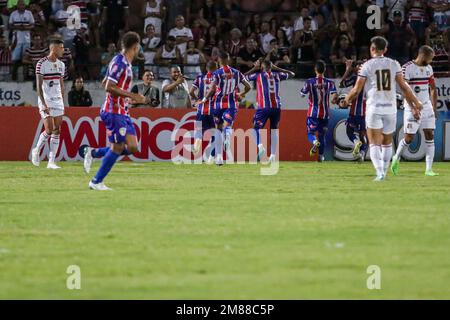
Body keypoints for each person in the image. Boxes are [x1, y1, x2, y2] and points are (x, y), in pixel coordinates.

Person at [341, 36, 423, 181]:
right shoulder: (394, 64)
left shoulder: (366, 66)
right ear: (385, 49)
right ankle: (384, 173)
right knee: (387, 143)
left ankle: (379, 174)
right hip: (390, 109)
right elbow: (404, 87)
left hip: (373, 108)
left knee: (374, 143)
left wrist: (346, 100)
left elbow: (356, 89)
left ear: (372, 49)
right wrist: (416, 102)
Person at [83, 31, 145, 190]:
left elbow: (106, 82)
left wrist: (127, 98)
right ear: (135, 46)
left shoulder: (124, 62)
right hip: (113, 111)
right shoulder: (120, 63)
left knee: (132, 147)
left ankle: (93, 153)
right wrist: (131, 95)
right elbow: (108, 87)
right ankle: (96, 182)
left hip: (123, 111)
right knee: (117, 147)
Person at [195, 51, 251, 165]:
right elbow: (248, 86)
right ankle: (228, 138)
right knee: (228, 125)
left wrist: (204, 99)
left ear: (219, 60)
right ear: (228, 59)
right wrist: (241, 94)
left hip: (217, 104)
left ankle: (219, 157)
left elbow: (212, 89)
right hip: (231, 104)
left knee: (218, 129)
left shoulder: (217, 73)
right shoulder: (237, 73)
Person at [391, 45, 439, 176]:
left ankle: (429, 169)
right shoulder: (407, 68)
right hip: (411, 106)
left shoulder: (429, 68)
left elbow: (433, 88)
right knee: (409, 137)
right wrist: (413, 108)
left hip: (426, 106)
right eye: (430, 58)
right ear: (423, 55)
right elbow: (404, 90)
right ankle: (396, 157)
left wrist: (433, 108)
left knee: (430, 135)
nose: (431, 61)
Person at [245, 60, 295, 163]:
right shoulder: (278, 74)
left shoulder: (258, 75)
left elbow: (241, 77)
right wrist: (277, 68)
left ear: (262, 68)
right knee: (274, 131)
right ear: (271, 66)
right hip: (276, 108)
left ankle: (260, 146)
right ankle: (272, 155)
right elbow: (292, 74)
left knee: (255, 128)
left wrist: (254, 68)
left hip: (263, 107)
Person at [31, 38, 66, 170]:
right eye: (61, 48)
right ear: (54, 48)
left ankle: (51, 162)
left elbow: (61, 84)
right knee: (49, 129)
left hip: (57, 100)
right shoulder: (41, 64)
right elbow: (39, 86)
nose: (63, 50)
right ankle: (36, 150)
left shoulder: (61, 65)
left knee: (57, 130)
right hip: (46, 99)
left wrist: (62, 98)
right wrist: (44, 103)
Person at [300, 60, 338, 162]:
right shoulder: (330, 83)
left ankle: (314, 142)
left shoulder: (309, 82)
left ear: (315, 70)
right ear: (325, 69)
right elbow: (335, 96)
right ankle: (321, 156)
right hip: (325, 115)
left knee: (310, 133)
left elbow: (302, 94)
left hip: (313, 113)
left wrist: (306, 93)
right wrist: (334, 99)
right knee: (322, 136)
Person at [339, 59, 368, 161]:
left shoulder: (356, 78)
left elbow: (341, 84)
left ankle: (355, 142)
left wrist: (347, 69)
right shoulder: (371, 78)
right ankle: (362, 154)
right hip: (367, 112)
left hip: (355, 111)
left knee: (349, 131)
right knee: (363, 134)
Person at [189, 61, 218, 162]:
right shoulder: (218, 78)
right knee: (215, 134)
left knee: (198, 132)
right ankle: (211, 158)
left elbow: (191, 91)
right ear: (216, 67)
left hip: (200, 111)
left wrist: (197, 100)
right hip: (214, 111)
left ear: (206, 68)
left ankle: (196, 146)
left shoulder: (200, 78)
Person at [9, 0, 35, 80]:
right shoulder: (13, 14)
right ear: (17, 6)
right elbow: (10, 25)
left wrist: (25, 28)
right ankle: (13, 79)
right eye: (20, 5)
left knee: (25, 60)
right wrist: (18, 28)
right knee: (14, 60)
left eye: (23, 5)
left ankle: (25, 78)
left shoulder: (29, 13)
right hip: (16, 40)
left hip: (26, 40)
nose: (21, 6)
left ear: (25, 5)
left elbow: (33, 25)